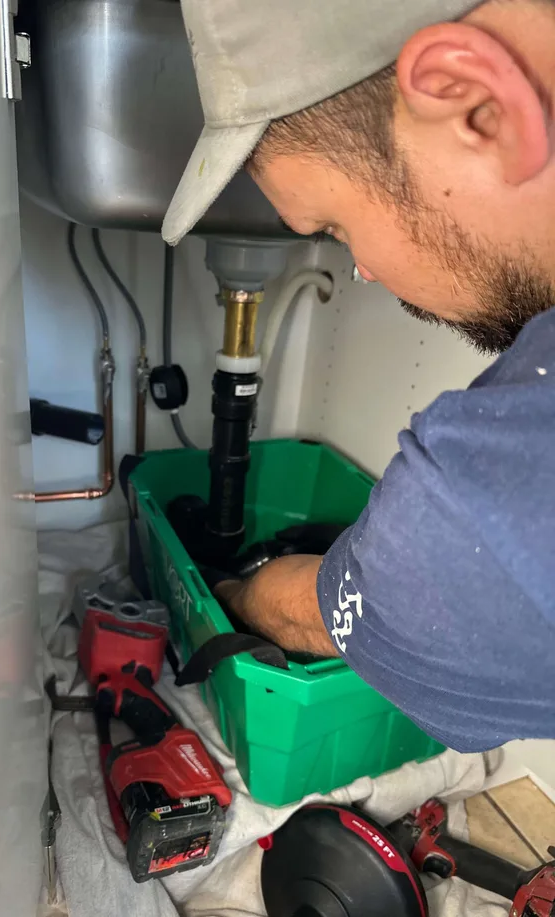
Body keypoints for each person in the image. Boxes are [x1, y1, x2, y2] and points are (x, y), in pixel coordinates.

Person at [161, 0, 555, 753]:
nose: (363, 272)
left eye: (336, 227)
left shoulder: (484, 498)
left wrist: (233, 590)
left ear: (474, 103)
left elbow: (308, 609)